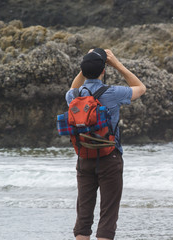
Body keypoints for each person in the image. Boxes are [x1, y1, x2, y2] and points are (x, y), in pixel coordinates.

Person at [65, 48, 146, 240]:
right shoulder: (113, 93)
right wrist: (116, 63)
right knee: (108, 215)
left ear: (83, 72)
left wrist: (87, 65)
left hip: (84, 158)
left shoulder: (73, 96)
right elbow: (140, 88)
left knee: (83, 215)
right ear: (103, 70)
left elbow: (72, 87)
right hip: (110, 158)